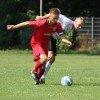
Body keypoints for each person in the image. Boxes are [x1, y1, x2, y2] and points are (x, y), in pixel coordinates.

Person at [7, 8, 72, 85]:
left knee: (43, 68)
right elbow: (27, 23)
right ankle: (34, 71)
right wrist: (14, 27)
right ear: (49, 16)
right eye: (54, 18)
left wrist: (67, 41)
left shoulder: (57, 25)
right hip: (36, 43)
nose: (56, 20)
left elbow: (62, 37)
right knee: (44, 58)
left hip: (45, 45)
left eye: (57, 18)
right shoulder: (42, 23)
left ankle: (37, 80)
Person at [36, 14, 84, 84]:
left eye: (81, 26)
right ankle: (39, 76)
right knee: (50, 56)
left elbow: (60, 34)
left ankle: (41, 76)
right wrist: (42, 18)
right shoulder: (67, 22)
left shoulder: (70, 26)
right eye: (79, 25)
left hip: (53, 38)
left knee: (52, 59)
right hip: (48, 35)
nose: (80, 27)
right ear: (75, 21)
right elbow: (55, 14)